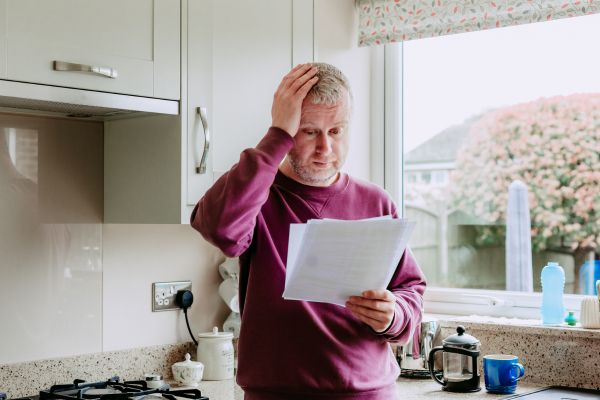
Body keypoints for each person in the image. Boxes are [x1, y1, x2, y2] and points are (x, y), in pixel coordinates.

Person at [191, 63, 426, 400]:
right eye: (309, 131)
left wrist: (394, 314)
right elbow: (221, 230)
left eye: (336, 131)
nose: (325, 149)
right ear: (287, 131)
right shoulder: (260, 195)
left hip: (369, 393)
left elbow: (410, 289)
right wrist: (276, 135)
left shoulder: (376, 201)